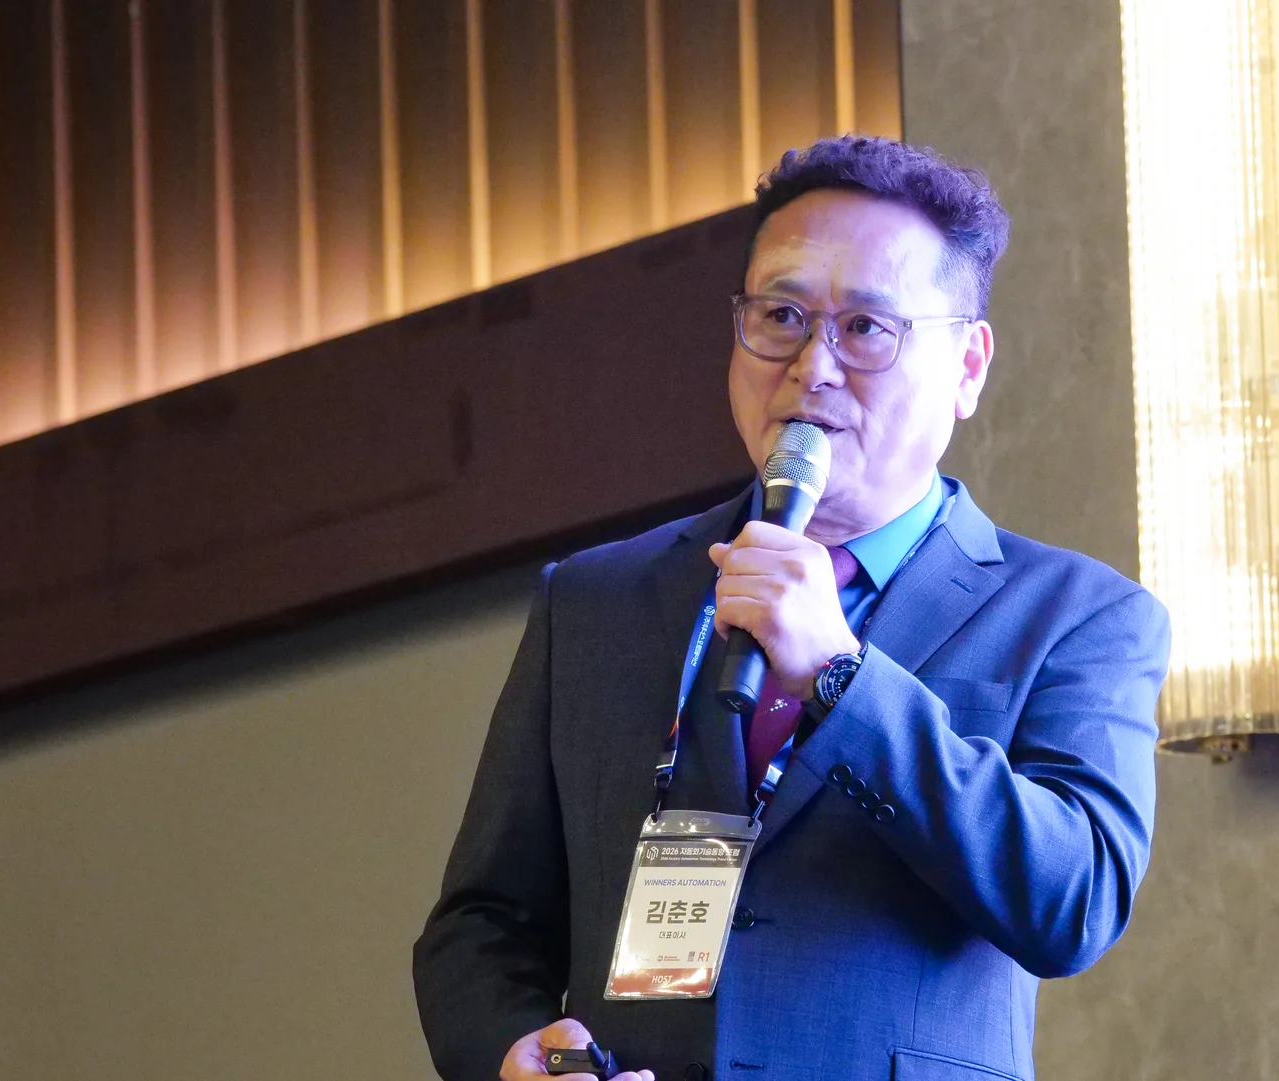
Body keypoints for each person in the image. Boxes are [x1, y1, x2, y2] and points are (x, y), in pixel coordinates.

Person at [413, 136, 1169, 1081]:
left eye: (866, 327)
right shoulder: (597, 600)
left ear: (968, 365)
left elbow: (1074, 902)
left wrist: (843, 676)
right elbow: (483, 922)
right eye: (781, 315)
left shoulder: (1077, 614)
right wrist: (517, 1053)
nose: (813, 367)